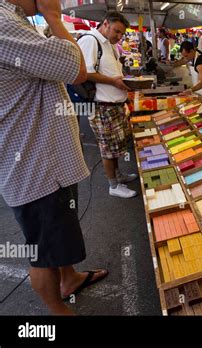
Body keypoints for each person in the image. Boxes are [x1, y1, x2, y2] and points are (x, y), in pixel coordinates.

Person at [0, 0, 108, 315]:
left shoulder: (15, 19)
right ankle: (57, 309)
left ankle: (70, 278)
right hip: (35, 163)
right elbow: (76, 70)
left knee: (59, 232)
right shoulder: (5, 23)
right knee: (44, 250)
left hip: (44, 157)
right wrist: (53, 17)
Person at [77, 11, 138, 199]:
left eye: (122, 34)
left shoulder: (110, 45)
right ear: (105, 24)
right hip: (102, 106)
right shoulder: (91, 41)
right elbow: (84, 73)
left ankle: (118, 176)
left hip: (114, 106)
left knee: (115, 146)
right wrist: (113, 82)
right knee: (108, 148)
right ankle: (113, 185)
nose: (119, 37)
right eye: (117, 32)